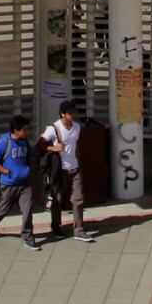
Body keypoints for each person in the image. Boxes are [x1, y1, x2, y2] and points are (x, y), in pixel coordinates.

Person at [39, 99, 96, 242]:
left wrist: (79, 162)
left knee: (78, 199)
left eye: (74, 112)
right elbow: (39, 145)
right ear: (62, 114)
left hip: (75, 168)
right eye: (70, 113)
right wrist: (53, 148)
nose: (73, 115)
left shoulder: (77, 127)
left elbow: (76, 146)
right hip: (60, 171)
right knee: (57, 199)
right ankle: (56, 226)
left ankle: (79, 230)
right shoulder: (53, 129)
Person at [0, 115, 41, 249]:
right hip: (9, 184)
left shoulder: (25, 141)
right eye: (25, 130)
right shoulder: (4, 142)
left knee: (27, 210)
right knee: (3, 209)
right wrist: (4, 171)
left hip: (25, 183)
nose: (27, 132)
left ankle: (28, 237)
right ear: (16, 130)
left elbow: (30, 154)